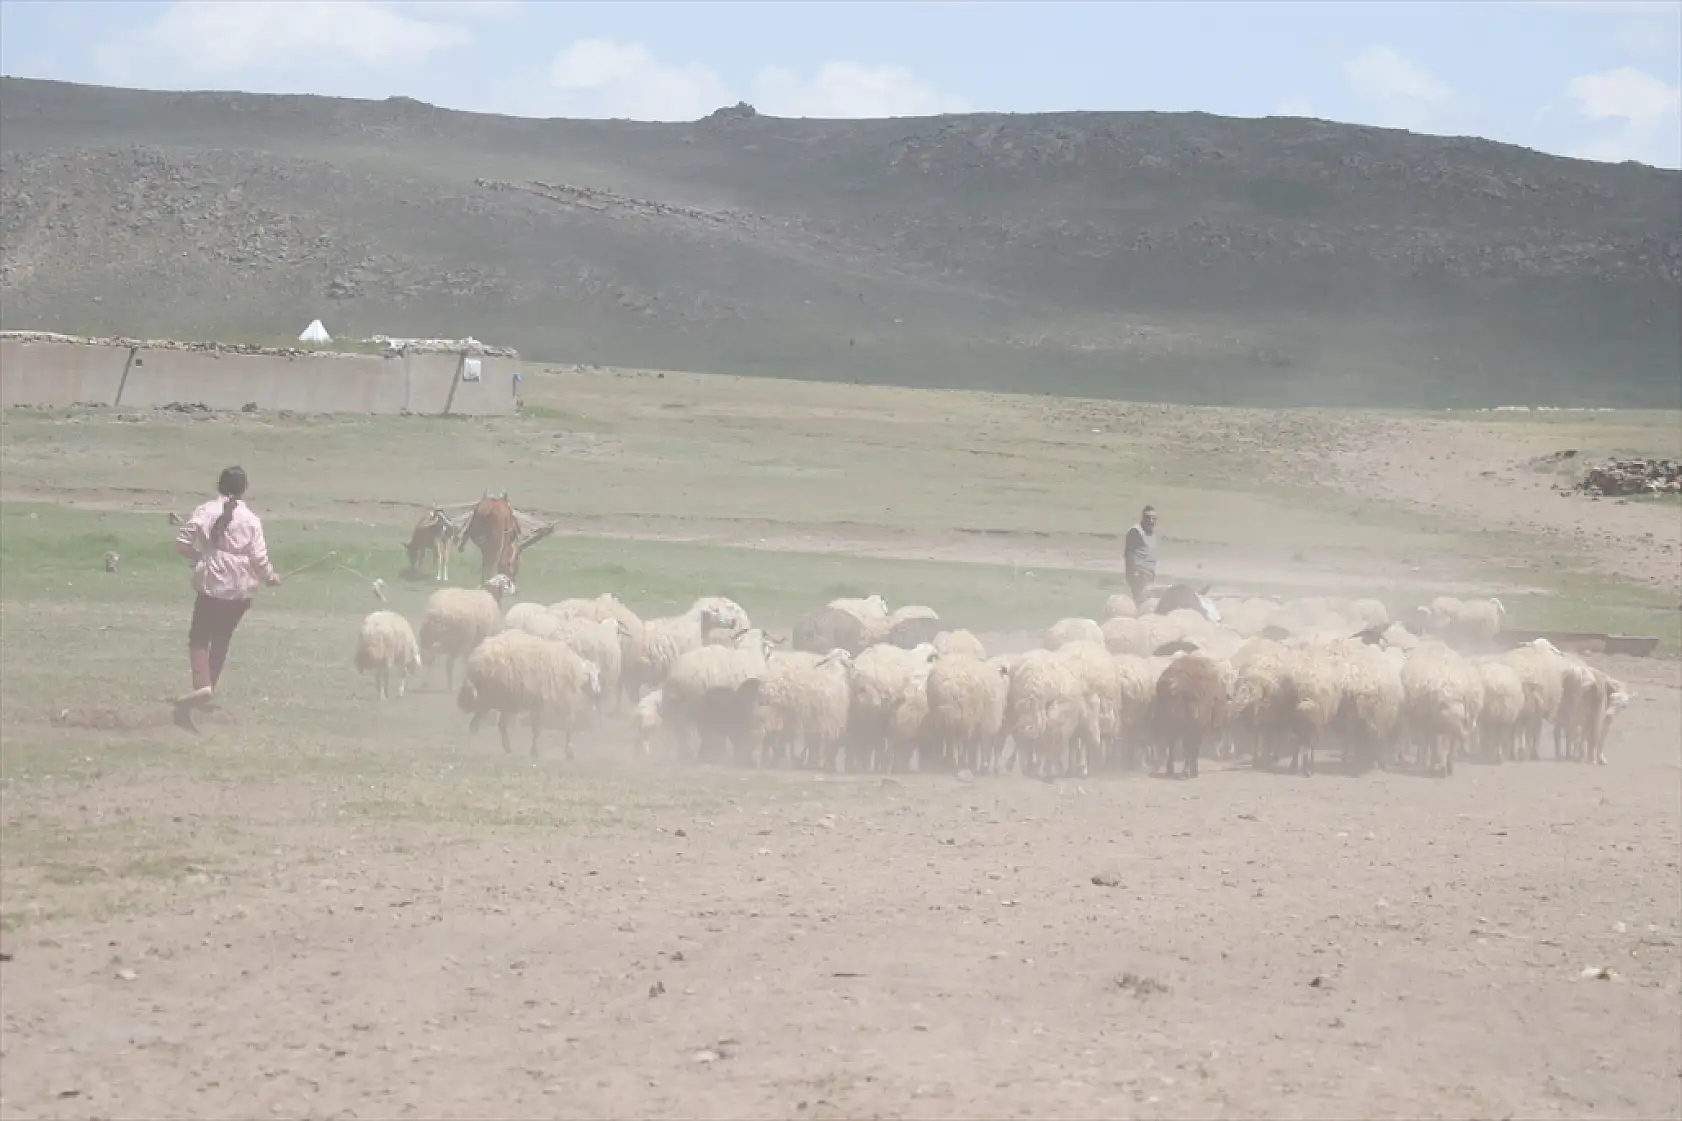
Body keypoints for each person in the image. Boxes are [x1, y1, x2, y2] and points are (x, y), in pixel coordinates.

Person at [172, 465, 280, 731]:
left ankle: (203, 685)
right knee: (222, 638)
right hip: (241, 587)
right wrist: (270, 577)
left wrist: (201, 557)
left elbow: (182, 543)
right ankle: (208, 690)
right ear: (244, 489)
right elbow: (259, 558)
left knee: (199, 637)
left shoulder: (205, 510)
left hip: (212, 582)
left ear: (219, 485)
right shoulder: (251, 519)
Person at [1124, 504, 1158, 607]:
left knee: (1147, 601)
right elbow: (1129, 552)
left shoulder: (1152, 533)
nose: (1151, 521)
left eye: (1153, 518)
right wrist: (1134, 572)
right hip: (1139, 573)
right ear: (1143, 518)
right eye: (1148, 518)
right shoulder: (1136, 531)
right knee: (1142, 601)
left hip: (1149, 574)